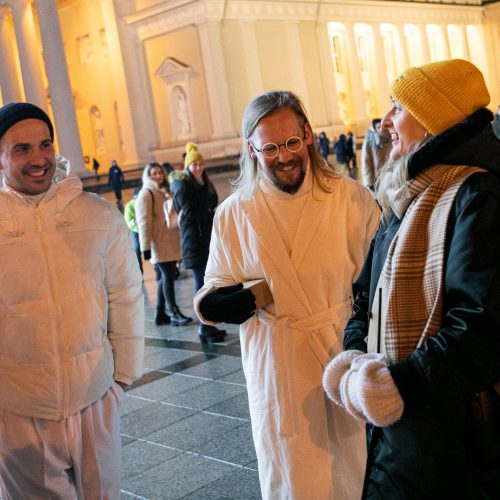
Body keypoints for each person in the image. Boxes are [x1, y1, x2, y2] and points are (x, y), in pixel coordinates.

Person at [322, 59, 500, 498]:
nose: (385, 122)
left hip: (454, 442)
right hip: (399, 434)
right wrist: (355, 353)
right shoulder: (406, 193)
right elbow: (365, 293)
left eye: (397, 106)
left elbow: (481, 328)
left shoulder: (478, 195)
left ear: (433, 119)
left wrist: (402, 383)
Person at [194, 90, 380, 499]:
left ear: (309, 135)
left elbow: (380, 281)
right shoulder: (234, 212)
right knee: (292, 476)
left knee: (355, 471)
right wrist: (213, 304)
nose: (284, 156)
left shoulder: (350, 198)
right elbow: (214, 280)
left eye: (293, 142)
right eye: (271, 148)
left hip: (344, 353)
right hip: (277, 365)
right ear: (252, 149)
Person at [0, 102, 144, 498]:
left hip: (94, 398)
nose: (38, 159)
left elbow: (126, 295)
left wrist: (121, 379)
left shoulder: (96, 215)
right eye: (21, 149)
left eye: (44, 145)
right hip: (18, 409)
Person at [170, 143, 227, 344]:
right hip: (195, 244)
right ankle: (204, 328)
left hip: (205, 242)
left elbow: (207, 206)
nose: (198, 168)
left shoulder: (202, 183)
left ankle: (209, 325)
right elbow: (191, 214)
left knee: (207, 286)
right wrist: (207, 212)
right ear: (187, 166)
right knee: (201, 287)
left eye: (200, 164)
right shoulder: (184, 186)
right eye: (194, 164)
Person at [135, 162, 191, 326]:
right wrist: (145, 247)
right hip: (158, 244)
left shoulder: (164, 191)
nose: (158, 176)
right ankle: (173, 311)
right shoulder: (147, 193)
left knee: (163, 277)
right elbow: (143, 222)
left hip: (169, 242)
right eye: (154, 173)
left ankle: (161, 313)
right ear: (148, 175)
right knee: (168, 276)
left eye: (160, 172)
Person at [360, 118, 391, 190]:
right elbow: (366, 163)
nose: (381, 129)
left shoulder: (392, 139)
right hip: (376, 180)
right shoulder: (369, 142)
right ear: (374, 129)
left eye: (383, 126)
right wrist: (368, 182)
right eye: (378, 127)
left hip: (391, 179)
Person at [124, 187, 143, 274]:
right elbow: (129, 222)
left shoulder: (146, 202)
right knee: (136, 249)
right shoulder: (129, 206)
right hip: (135, 231)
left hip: (145, 229)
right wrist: (137, 222)